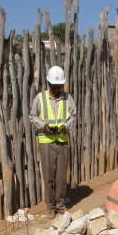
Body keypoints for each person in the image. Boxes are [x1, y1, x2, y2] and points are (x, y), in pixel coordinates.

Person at [29, 66, 77, 219]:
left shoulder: (67, 98)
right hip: (46, 142)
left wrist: (66, 125)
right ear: (48, 84)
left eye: (59, 86)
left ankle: (60, 204)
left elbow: (73, 117)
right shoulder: (40, 98)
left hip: (62, 140)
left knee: (61, 175)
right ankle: (50, 206)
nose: (57, 89)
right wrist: (44, 126)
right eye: (54, 86)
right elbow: (32, 116)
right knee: (49, 176)